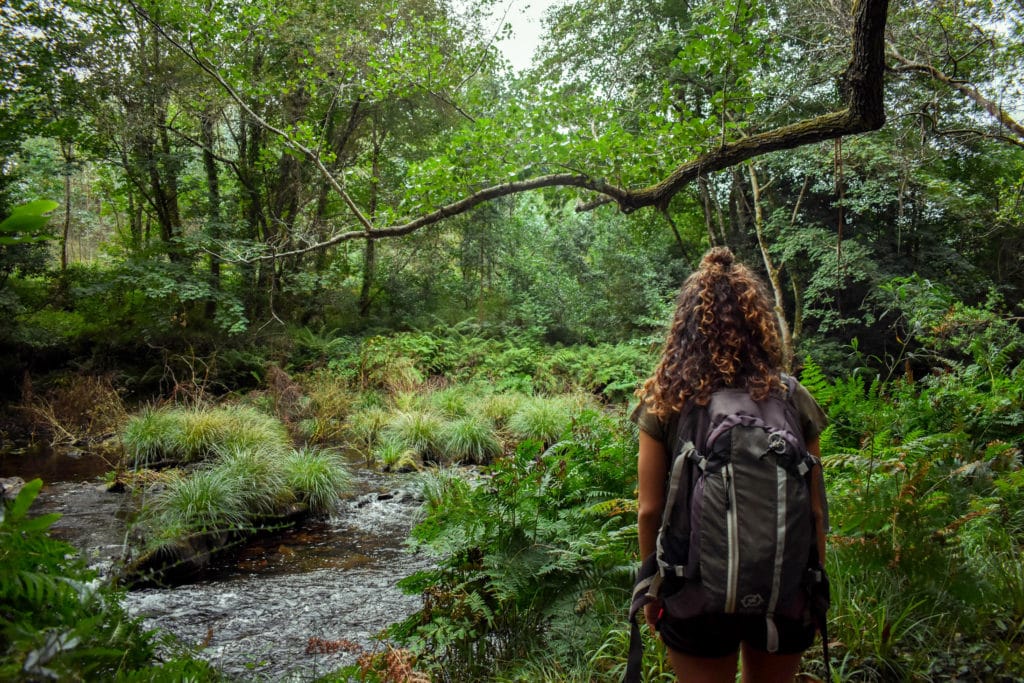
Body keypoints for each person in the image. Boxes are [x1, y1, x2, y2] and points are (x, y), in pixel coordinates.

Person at [631, 246, 828, 683]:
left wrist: (652, 591)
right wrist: (812, 588)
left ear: (685, 328)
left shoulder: (666, 401)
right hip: (784, 589)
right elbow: (815, 510)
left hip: (696, 595)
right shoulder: (792, 397)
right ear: (759, 325)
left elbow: (648, 510)